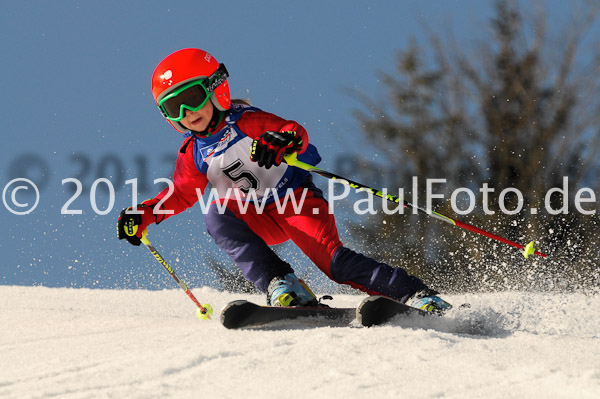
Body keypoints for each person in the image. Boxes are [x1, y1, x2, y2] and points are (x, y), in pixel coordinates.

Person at [117, 48, 451, 313]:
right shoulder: (193, 153)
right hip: (256, 216)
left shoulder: (245, 121)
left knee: (335, 264)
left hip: (295, 202)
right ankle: (281, 283)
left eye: (192, 97)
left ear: (214, 88)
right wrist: (144, 213)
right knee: (216, 213)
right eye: (174, 107)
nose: (187, 112)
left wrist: (281, 142)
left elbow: (293, 131)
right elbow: (181, 193)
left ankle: (415, 295)